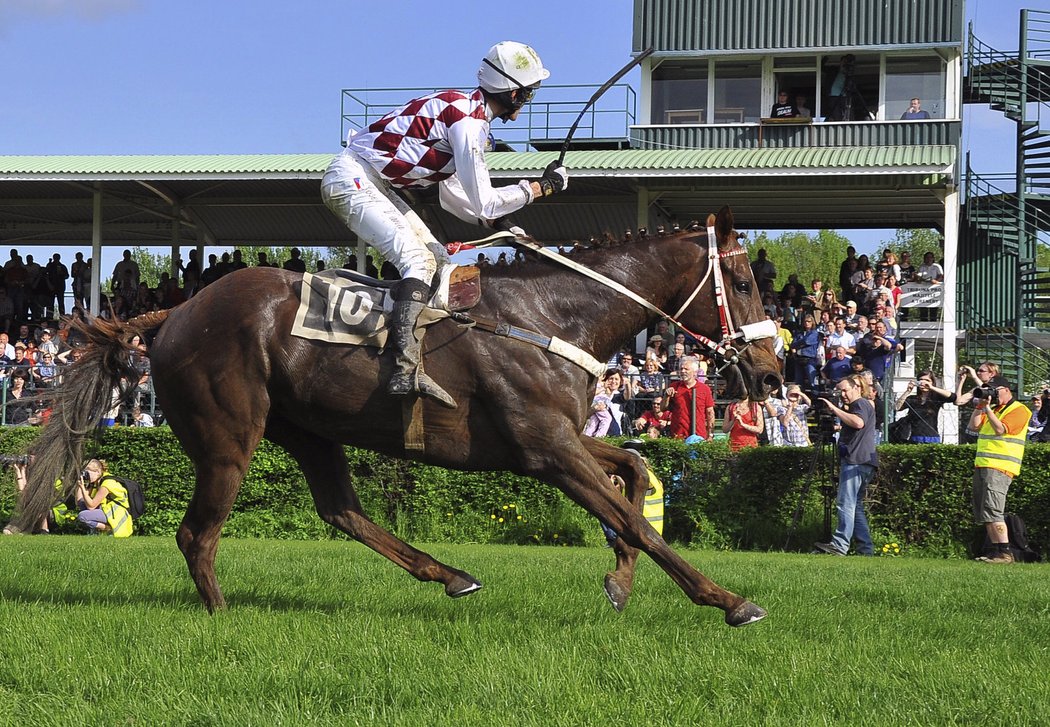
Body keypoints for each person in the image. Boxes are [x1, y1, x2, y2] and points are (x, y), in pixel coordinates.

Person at [321, 42, 564, 410]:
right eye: (529, 93)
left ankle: (426, 355)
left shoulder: (463, 113)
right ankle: (402, 369)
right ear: (514, 93)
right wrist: (538, 188)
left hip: (373, 184)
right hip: (354, 180)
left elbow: (456, 199)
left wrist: (505, 225)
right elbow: (483, 201)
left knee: (437, 258)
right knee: (418, 264)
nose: (528, 100)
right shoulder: (469, 123)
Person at [813, 374, 878, 556]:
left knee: (845, 503)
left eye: (845, 390)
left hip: (856, 461)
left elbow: (858, 422)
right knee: (855, 506)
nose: (842, 394)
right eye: (839, 391)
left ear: (856, 387)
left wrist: (834, 409)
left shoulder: (860, 404)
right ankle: (866, 549)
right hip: (865, 461)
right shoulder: (862, 405)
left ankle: (840, 545)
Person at [968, 376, 1030, 564]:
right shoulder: (994, 409)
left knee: (994, 509)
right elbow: (973, 426)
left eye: (994, 390)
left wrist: (987, 408)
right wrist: (980, 406)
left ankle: (1005, 552)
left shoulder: (1020, 410)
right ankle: (996, 551)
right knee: (985, 511)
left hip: (1001, 467)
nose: (991, 393)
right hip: (984, 465)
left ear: (1007, 390)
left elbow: (1000, 430)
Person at [74, 458, 133, 537]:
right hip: (106, 509)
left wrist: (82, 488)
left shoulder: (107, 483)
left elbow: (91, 506)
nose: (86, 475)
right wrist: (81, 484)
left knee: (82, 516)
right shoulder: (97, 481)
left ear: (98, 472)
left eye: (87, 473)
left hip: (116, 513)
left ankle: (107, 528)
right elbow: (80, 500)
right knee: (82, 503)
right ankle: (95, 532)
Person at [894, 371, 956, 444]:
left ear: (932, 382)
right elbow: (897, 407)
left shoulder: (936, 397)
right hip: (914, 438)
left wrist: (932, 387)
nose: (923, 382)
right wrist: (907, 391)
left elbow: (953, 397)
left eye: (927, 380)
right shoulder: (912, 398)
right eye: (921, 380)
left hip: (932, 437)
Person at [665, 357, 715, 440]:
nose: (683, 371)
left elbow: (710, 412)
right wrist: (666, 396)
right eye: (681, 369)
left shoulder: (704, 389)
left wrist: (710, 434)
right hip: (678, 434)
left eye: (686, 369)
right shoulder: (674, 386)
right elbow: (663, 408)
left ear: (695, 372)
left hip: (698, 434)